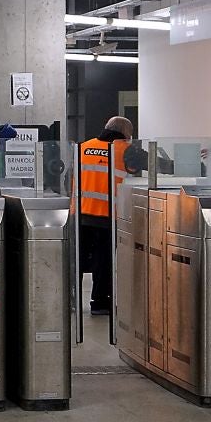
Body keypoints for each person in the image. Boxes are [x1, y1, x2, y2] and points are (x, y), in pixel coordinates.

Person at [76, 116, 141, 315]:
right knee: (103, 261)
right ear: (125, 134)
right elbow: (159, 164)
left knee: (77, 260)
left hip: (82, 213)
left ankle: (68, 301)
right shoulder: (125, 150)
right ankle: (99, 302)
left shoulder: (83, 147)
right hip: (108, 215)